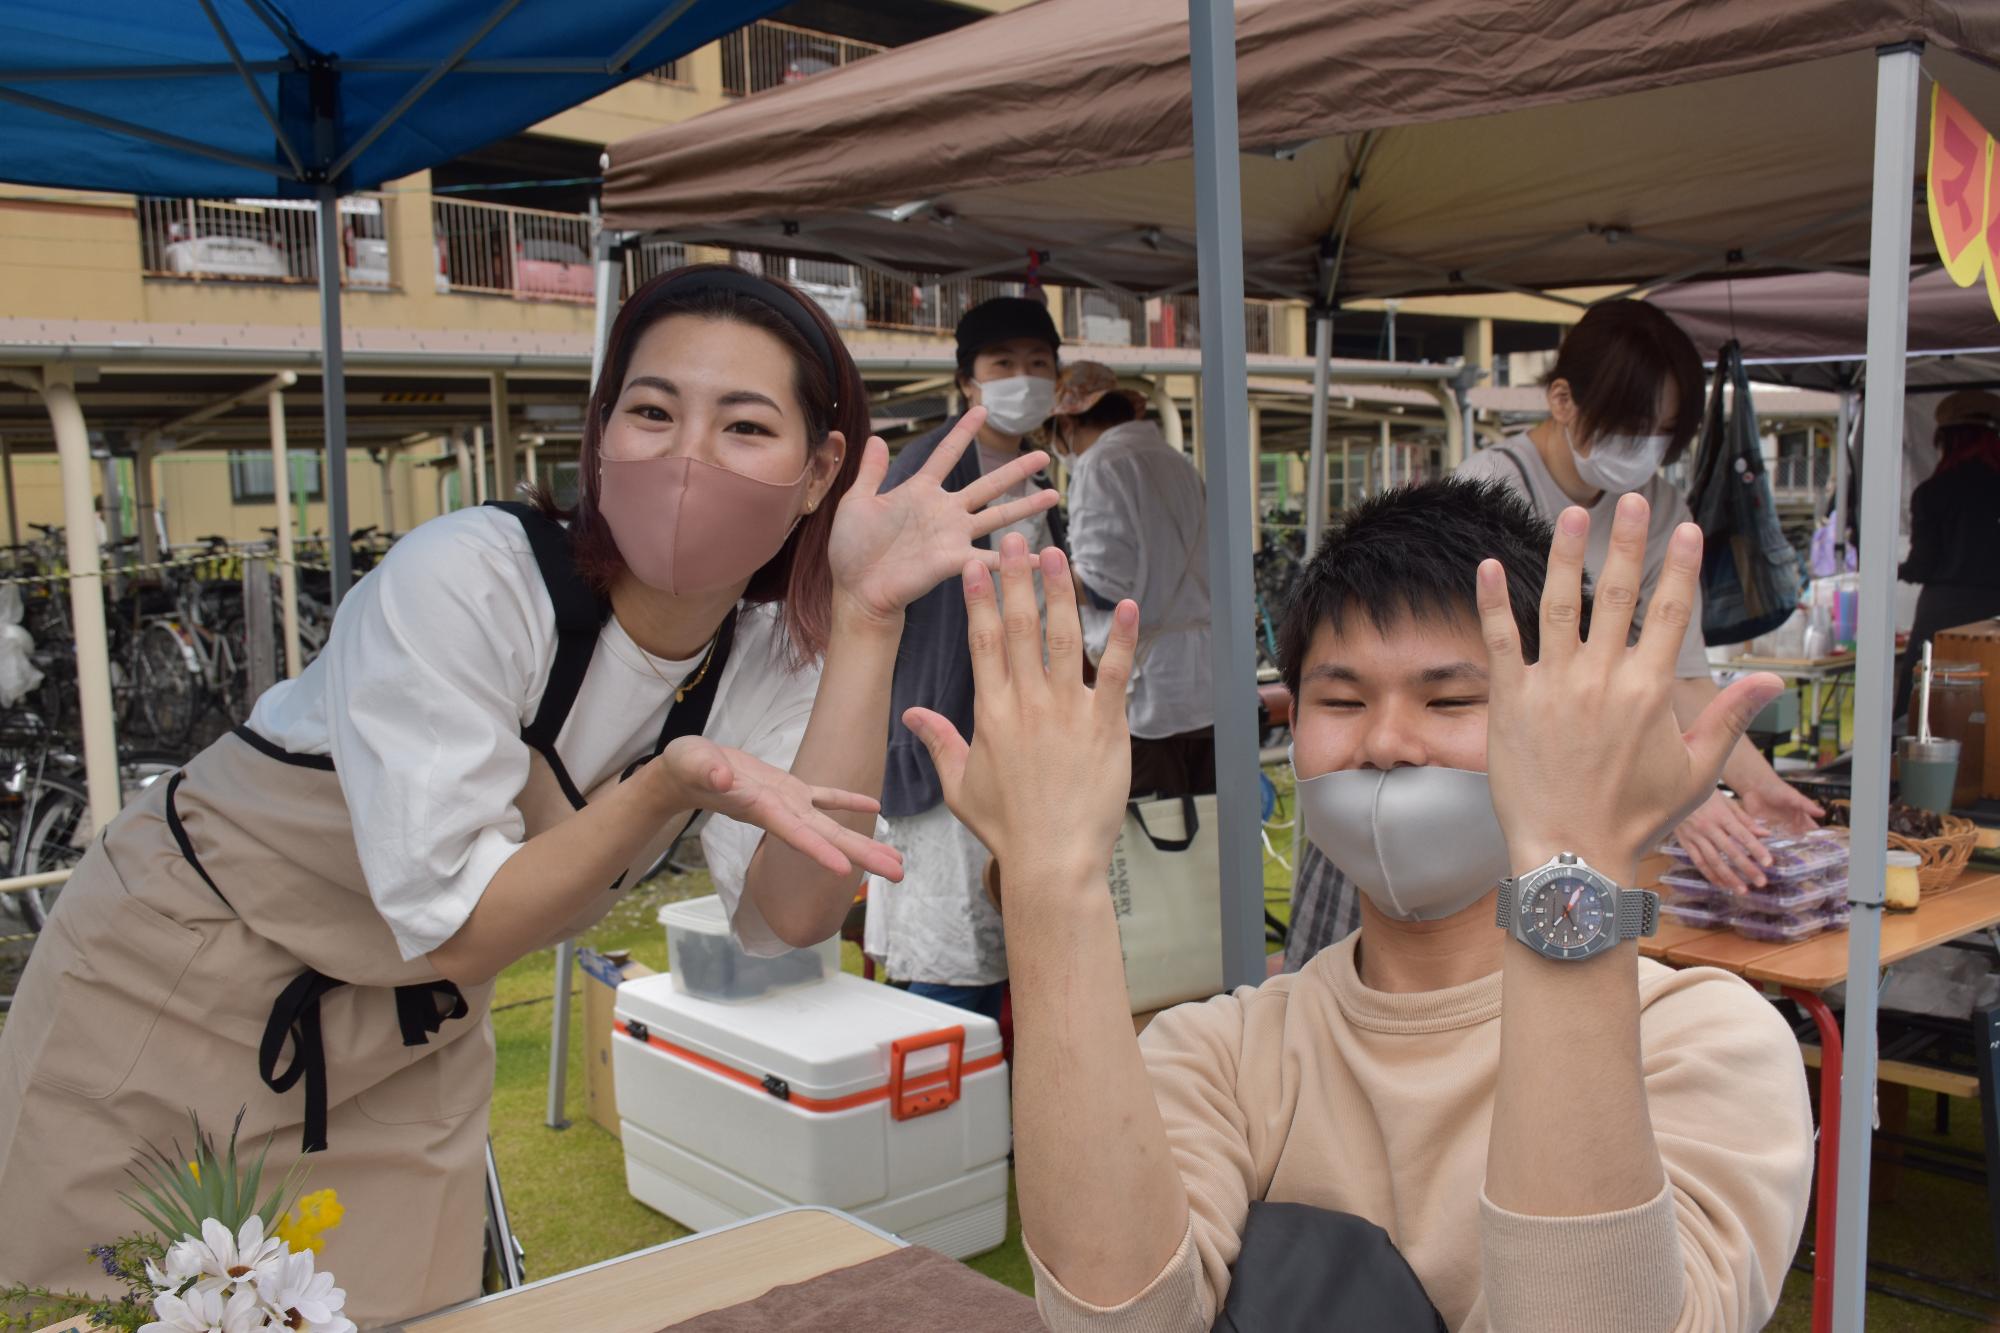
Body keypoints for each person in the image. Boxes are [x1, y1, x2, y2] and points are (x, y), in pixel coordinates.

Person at [0, 265, 1057, 1325]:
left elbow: (789, 920)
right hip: (176, 987)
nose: (687, 457)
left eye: (743, 427)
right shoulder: (468, 578)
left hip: (403, 1037)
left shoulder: (768, 656)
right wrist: (656, 793)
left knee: (418, 1306)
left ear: (821, 465)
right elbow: (461, 924)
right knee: (116, 1304)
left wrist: (868, 617)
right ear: (598, 435)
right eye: (650, 411)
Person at [904, 481, 1813, 1332]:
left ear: (1558, 717)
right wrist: (1050, 876)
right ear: (1291, 725)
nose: (1385, 741)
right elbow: (1123, 1315)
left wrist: (1571, 860)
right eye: (1340, 699)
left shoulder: (1706, 1040)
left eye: (1450, 697)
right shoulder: (1222, 1050)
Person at [865, 296, 1065, 1020]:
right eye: (1003, 364)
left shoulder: (1035, 469)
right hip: (948, 742)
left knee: (1015, 941)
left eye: (1038, 363)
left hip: (1024, 741)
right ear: (968, 383)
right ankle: (939, 1119)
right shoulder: (927, 473)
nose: (1023, 377)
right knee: (955, 955)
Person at [1050, 361, 1214, 797]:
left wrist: (1048, 575)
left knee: (1154, 841)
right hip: (1207, 681)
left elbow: (1107, 586)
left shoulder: (1099, 465)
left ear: (1065, 422)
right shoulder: (1177, 463)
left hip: (1149, 690)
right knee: (1212, 839)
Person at [1897, 388, 2000, 715]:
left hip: (1942, 614)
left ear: (1947, 439)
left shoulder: (1933, 492)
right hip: (1995, 616)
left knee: (1927, 706)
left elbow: (1922, 565)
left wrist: (1895, 569)